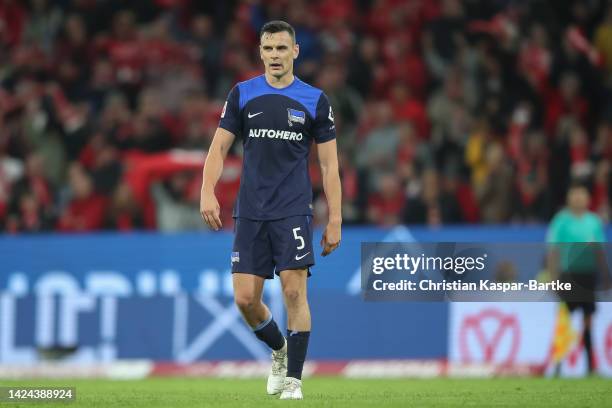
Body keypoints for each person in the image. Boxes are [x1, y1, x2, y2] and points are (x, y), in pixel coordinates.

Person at [200, 21, 341, 400]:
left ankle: (293, 379)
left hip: (294, 210)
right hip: (250, 211)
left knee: (295, 292)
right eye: (268, 49)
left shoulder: (315, 100)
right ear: (260, 52)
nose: (275, 56)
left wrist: (335, 218)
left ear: (295, 52)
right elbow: (218, 149)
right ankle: (280, 350)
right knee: (245, 299)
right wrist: (207, 192)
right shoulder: (243, 94)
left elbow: (329, 166)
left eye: (282, 48)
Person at [547, 182, 608, 375]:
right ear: (568, 198)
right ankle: (557, 365)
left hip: (589, 276)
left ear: (588, 198)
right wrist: (553, 276)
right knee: (565, 321)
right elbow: (553, 250)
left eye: (582, 194)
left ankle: (591, 366)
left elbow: (599, 251)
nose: (578, 198)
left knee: (588, 321)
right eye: (574, 194)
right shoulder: (561, 221)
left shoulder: (594, 221)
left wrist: (606, 276)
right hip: (568, 276)